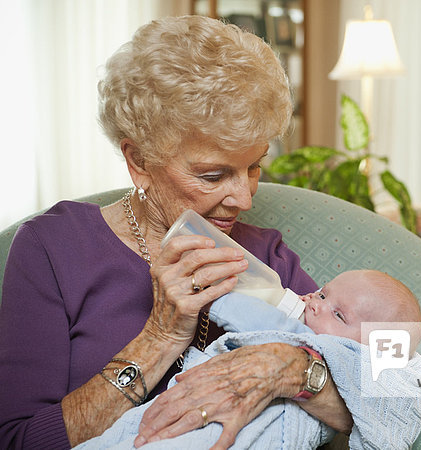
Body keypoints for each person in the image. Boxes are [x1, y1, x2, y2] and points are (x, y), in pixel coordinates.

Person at [0, 15, 353, 450]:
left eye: (254, 166)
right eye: (212, 175)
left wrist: (291, 369)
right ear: (139, 161)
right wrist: (160, 336)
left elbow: (387, 389)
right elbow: (20, 440)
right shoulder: (54, 249)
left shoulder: (267, 255)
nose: (243, 198)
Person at [76, 269, 421, 449]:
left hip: (258, 433)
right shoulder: (305, 320)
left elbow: (250, 314)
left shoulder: (312, 342)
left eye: (338, 314)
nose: (313, 302)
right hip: (195, 407)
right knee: (133, 430)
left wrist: (213, 295)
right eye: (322, 292)